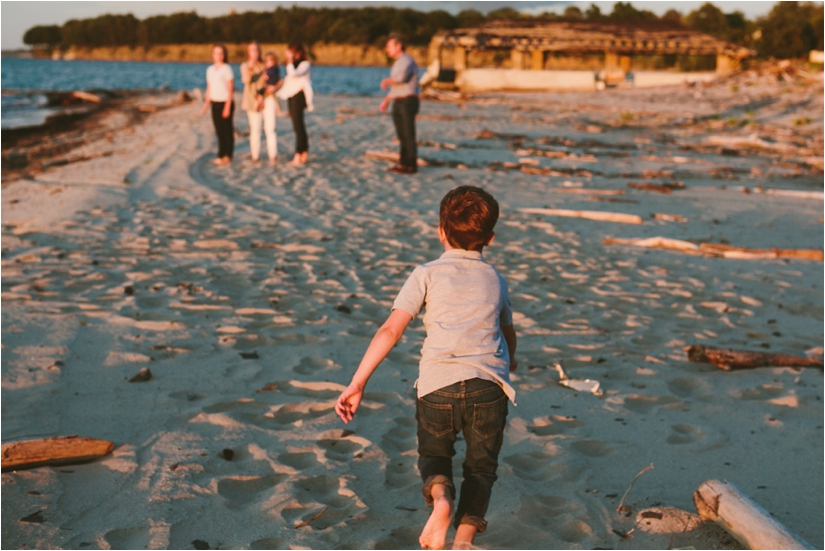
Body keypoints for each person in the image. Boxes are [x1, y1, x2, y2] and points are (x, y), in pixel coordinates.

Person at [335, 186, 518, 550]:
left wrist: (357, 382)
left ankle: (442, 499)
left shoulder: (426, 274)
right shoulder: (495, 279)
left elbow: (391, 329)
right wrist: (507, 367)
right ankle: (464, 540)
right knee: (481, 469)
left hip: (437, 386)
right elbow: (508, 334)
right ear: (490, 239)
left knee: (435, 455)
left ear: (440, 230)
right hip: (488, 387)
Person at [380, 34, 421, 174]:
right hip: (398, 101)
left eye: (389, 46)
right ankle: (403, 163)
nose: (387, 49)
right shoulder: (397, 62)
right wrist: (386, 101)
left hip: (407, 101)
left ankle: (411, 165)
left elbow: (401, 78)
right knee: (401, 135)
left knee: (408, 134)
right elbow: (395, 87)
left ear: (398, 46)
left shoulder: (407, 61)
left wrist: (387, 81)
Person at [240, 41, 278, 165]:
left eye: (256, 50)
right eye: (251, 50)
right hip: (253, 101)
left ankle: (273, 157)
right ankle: (255, 157)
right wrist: (251, 68)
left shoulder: (265, 65)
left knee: (270, 129)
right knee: (255, 129)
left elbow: (277, 78)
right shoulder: (244, 66)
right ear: (248, 53)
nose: (254, 53)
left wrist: (274, 87)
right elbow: (246, 80)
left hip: (267, 98)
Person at [276, 43, 314, 167]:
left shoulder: (305, 64)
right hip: (292, 95)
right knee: (296, 125)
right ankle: (303, 153)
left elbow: (293, 73)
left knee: (299, 126)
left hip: (300, 96)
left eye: (292, 52)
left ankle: (299, 154)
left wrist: (290, 60)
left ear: (298, 52)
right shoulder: (292, 64)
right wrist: (289, 61)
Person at [200, 43, 235, 165]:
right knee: (219, 131)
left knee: (227, 130)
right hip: (215, 103)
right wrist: (206, 105)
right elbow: (209, 88)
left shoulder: (227, 69)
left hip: (225, 102)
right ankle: (221, 155)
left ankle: (227, 155)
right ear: (212, 55)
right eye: (216, 53)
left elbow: (230, 89)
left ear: (224, 55)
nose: (218, 55)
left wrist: (227, 107)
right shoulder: (209, 70)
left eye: (221, 53)